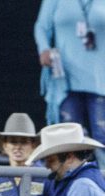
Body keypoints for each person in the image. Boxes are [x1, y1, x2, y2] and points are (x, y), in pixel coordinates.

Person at [35, 0, 105, 167]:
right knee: (70, 138)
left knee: (102, 136)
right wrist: (44, 48)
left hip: (100, 77)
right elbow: (41, 26)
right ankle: (72, 183)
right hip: (65, 77)